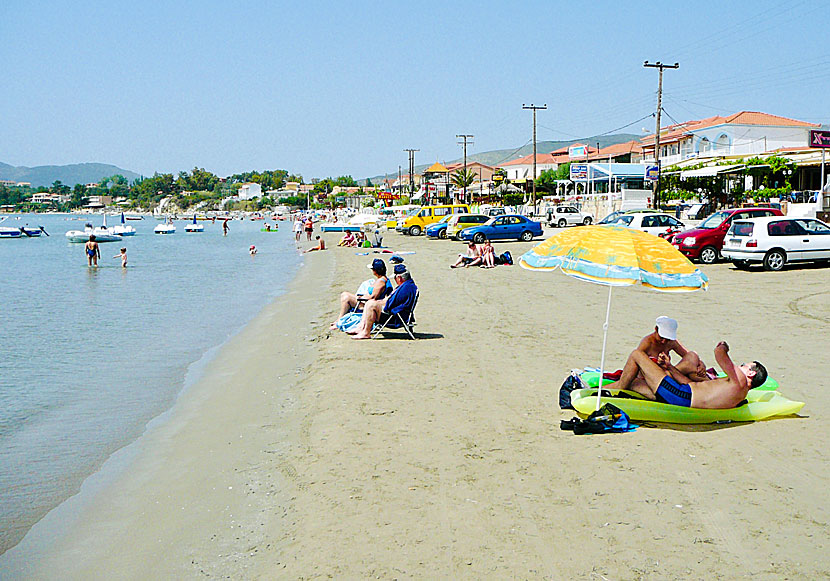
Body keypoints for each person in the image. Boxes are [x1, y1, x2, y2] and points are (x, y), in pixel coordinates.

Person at [605, 341, 767, 409]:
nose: (741, 365)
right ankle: (598, 390)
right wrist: (669, 367)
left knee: (637, 355)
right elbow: (691, 385)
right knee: (634, 384)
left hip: (680, 395)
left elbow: (719, 354)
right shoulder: (739, 392)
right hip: (682, 395)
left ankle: (617, 391)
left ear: (751, 372)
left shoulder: (739, 380)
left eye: (746, 365)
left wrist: (723, 346)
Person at [351, 264, 418, 340]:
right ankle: (361, 327)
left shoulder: (405, 289)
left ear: (399, 278)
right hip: (398, 314)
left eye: (395, 278)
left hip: (395, 317)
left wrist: (379, 303)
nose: (395, 280)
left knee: (371, 304)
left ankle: (366, 332)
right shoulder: (407, 286)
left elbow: (390, 305)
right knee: (371, 302)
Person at [637, 316, 708, 382]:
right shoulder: (647, 343)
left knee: (692, 361)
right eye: (661, 337)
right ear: (656, 329)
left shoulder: (672, 342)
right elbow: (637, 363)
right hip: (654, 378)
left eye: (667, 339)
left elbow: (687, 354)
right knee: (689, 366)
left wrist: (701, 364)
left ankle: (710, 384)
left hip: (668, 374)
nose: (664, 341)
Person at [330, 258, 390, 329]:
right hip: (367, 302)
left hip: (366, 304)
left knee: (345, 296)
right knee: (346, 295)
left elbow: (373, 298)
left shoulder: (381, 282)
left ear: (375, 271)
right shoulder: (382, 279)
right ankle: (339, 320)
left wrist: (361, 298)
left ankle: (339, 320)